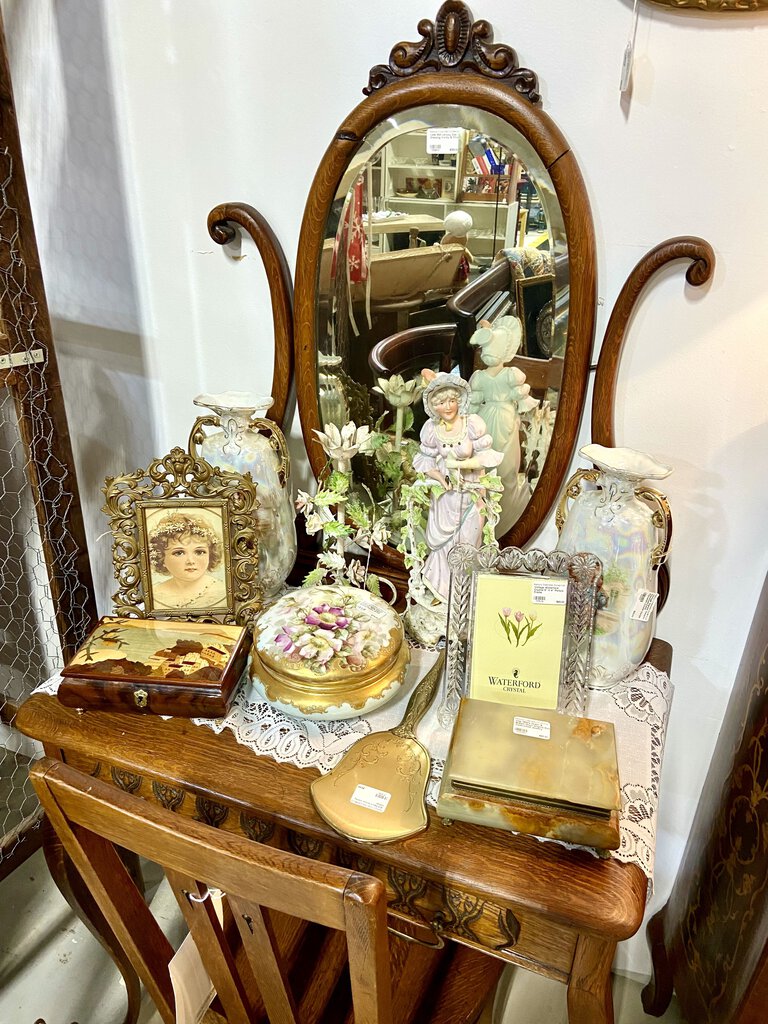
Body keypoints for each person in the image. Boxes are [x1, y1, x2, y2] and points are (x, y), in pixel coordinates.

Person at [412, 371, 503, 602]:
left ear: (459, 400)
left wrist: (460, 464)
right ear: (433, 406)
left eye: (452, 400)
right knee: (442, 544)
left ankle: (463, 594)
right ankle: (442, 594)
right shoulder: (432, 430)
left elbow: (488, 457)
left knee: (468, 542)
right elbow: (425, 461)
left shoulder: (472, 424)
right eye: (441, 402)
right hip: (445, 497)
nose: (448, 406)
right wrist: (441, 479)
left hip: (471, 494)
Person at [469, 315, 539, 536]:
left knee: (507, 467)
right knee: (483, 466)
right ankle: (483, 512)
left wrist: (516, 395)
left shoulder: (511, 374)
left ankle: (505, 514)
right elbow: (473, 400)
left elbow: (520, 394)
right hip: (484, 419)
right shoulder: (479, 377)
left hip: (506, 420)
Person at [147, 512, 228, 610]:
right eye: (179, 553)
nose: (191, 561)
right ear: (161, 558)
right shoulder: (154, 595)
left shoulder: (222, 592)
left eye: (199, 552)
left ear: (210, 555)